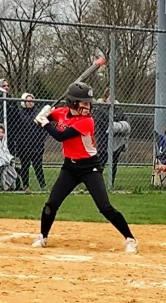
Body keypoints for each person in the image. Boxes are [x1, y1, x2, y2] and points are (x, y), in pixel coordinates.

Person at [32, 81, 138, 254]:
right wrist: (43, 114)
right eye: (84, 103)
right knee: (52, 203)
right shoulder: (61, 113)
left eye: (89, 103)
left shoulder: (87, 121)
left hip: (89, 167)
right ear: (73, 103)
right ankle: (42, 236)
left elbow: (61, 136)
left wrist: (44, 122)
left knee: (104, 207)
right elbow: (45, 120)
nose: (88, 106)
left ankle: (130, 239)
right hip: (69, 167)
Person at [94, 89, 131, 187]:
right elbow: (100, 123)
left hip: (116, 141)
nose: (112, 99)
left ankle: (111, 184)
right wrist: (110, 127)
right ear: (106, 98)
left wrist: (117, 126)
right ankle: (96, 184)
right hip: (103, 140)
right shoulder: (100, 109)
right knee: (100, 163)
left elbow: (124, 121)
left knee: (114, 164)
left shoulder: (118, 110)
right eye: (110, 97)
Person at [16, 93, 47, 191]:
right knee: (25, 166)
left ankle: (43, 185)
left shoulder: (38, 113)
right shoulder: (19, 114)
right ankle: (26, 186)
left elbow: (44, 127)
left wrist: (41, 138)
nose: (30, 103)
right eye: (27, 101)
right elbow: (16, 128)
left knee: (38, 166)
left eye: (31, 101)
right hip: (23, 145)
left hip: (37, 145)